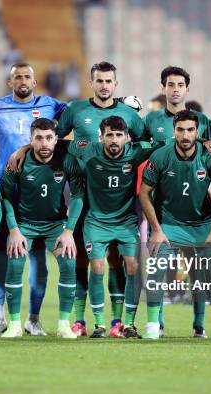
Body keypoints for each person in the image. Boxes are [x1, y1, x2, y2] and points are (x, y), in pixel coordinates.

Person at [56, 61, 145, 337]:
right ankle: (83, 320)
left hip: (119, 201)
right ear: (91, 82)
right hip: (84, 194)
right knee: (83, 259)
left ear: (115, 84)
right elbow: (52, 140)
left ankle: (120, 322)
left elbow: (148, 141)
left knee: (121, 262)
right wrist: (24, 150)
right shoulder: (75, 110)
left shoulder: (128, 115)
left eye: (109, 81)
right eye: (99, 81)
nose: (104, 85)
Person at [139, 110, 211, 340]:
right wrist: (157, 230)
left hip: (203, 224)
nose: (185, 135)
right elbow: (144, 193)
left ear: (197, 132)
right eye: (180, 130)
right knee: (156, 268)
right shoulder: (160, 156)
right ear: (174, 131)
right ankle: (152, 325)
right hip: (168, 224)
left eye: (191, 130)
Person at [70, 116, 164, 338]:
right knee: (97, 266)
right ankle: (99, 325)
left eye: (119, 135)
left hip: (125, 221)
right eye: (109, 135)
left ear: (127, 138)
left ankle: (127, 325)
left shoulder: (137, 150)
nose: (114, 140)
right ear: (101, 137)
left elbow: (165, 144)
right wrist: (24, 149)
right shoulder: (88, 149)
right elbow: (56, 143)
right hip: (96, 221)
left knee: (133, 266)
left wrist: (201, 141)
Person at [0, 118, 83, 338]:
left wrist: (68, 231)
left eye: (48, 138)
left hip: (55, 224)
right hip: (25, 224)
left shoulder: (68, 161)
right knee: (15, 264)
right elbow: (6, 197)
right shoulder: (17, 162)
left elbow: (78, 195)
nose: (44, 143)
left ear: (56, 139)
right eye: (38, 138)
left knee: (68, 262)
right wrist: (14, 230)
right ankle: (15, 324)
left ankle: (64, 324)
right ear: (31, 140)